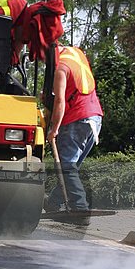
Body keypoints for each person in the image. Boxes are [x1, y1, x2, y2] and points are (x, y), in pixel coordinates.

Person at [45, 44, 103, 213]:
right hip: (94, 118)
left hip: (76, 120)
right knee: (70, 167)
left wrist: (54, 129)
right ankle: (54, 203)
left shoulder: (61, 69)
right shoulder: (76, 53)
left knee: (68, 166)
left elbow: (60, 101)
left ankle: (80, 207)